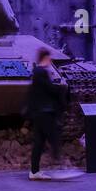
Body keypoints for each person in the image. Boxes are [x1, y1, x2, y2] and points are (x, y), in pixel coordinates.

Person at [24, 47, 69, 180]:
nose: (51, 60)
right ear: (45, 58)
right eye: (49, 57)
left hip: (39, 111)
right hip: (44, 111)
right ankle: (62, 167)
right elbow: (49, 89)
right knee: (54, 138)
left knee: (39, 142)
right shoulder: (40, 72)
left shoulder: (37, 71)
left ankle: (34, 171)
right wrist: (61, 89)